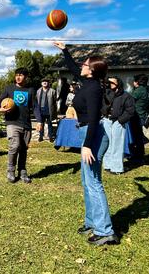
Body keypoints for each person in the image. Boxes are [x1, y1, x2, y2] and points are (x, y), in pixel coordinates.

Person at [54, 41, 119, 246]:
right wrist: (64, 50)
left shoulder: (92, 90)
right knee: (87, 182)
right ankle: (92, 222)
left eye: (85, 63)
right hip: (88, 134)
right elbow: (73, 67)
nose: (81, 65)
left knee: (94, 183)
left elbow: (92, 118)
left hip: (93, 137)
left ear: (91, 71)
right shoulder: (88, 83)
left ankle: (106, 231)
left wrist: (87, 145)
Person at [0, 67, 42, 184]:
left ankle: (22, 171)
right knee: (15, 145)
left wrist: (40, 121)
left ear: (26, 77)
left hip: (26, 124)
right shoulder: (9, 88)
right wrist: (0, 109)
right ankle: (10, 170)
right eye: (17, 75)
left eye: (21, 75)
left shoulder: (30, 90)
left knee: (23, 149)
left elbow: (35, 107)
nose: (18, 77)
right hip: (12, 122)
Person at [102, 77, 135, 175]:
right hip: (107, 120)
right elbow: (102, 105)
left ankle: (116, 168)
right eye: (109, 82)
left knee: (117, 145)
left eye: (112, 82)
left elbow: (130, 110)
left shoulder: (126, 96)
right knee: (108, 143)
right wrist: (104, 113)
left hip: (118, 122)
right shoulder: (106, 94)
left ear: (118, 84)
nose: (110, 83)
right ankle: (107, 165)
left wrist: (120, 120)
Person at [129, 74, 149, 165]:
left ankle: (138, 157)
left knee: (136, 138)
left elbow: (129, 100)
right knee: (138, 137)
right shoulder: (144, 90)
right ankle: (139, 156)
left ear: (137, 82)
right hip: (140, 116)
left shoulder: (138, 91)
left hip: (136, 117)